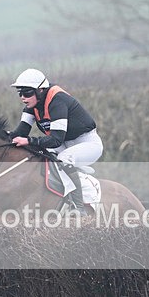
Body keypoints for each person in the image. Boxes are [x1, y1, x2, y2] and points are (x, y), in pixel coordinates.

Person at [9, 68, 103, 215]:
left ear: (40, 90)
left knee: (64, 158)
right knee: (39, 155)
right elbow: (19, 133)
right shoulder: (31, 106)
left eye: (27, 93)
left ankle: (79, 207)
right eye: (20, 93)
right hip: (64, 144)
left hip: (87, 143)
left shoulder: (57, 101)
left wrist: (29, 140)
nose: (23, 97)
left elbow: (55, 140)